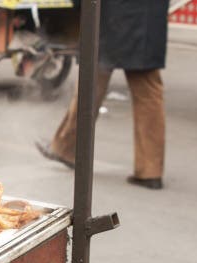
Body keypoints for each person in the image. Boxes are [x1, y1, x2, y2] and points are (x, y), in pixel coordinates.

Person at [36, 1, 168, 190]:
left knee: (91, 83)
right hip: (147, 21)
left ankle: (66, 148)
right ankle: (150, 170)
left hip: (110, 18)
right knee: (147, 90)